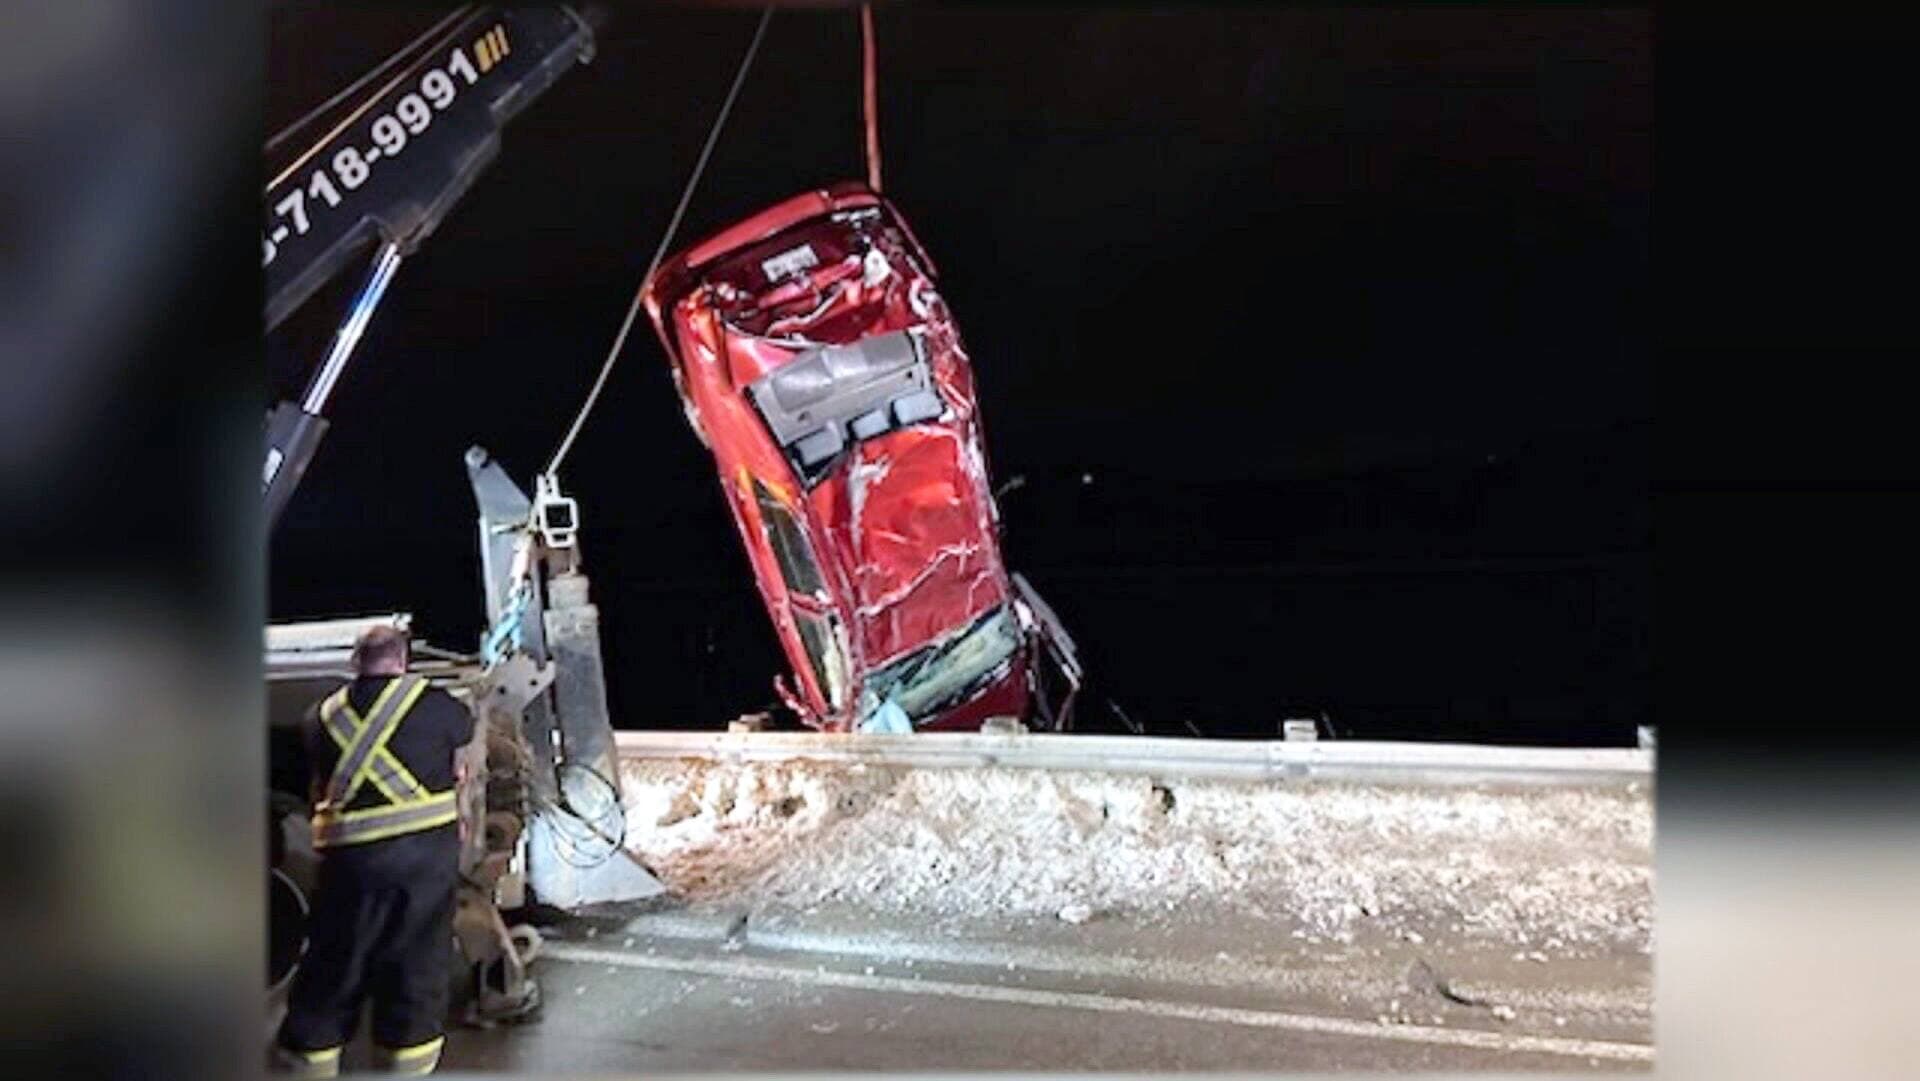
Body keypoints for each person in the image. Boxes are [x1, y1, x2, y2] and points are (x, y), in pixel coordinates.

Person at [274, 625, 475, 1077]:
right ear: (403, 661)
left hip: (351, 863)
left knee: (336, 959)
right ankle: (403, 1066)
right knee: (416, 963)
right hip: (423, 860)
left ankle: (309, 1063)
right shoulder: (437, 707)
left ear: (354, 663)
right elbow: (461, 739)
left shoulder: (319, 717)